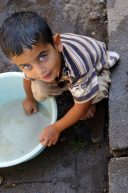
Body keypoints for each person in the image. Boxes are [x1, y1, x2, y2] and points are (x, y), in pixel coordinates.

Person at [0, 11, 119, 146]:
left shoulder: (78, 66)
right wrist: (29, 98)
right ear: (16, 64)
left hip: (96, 68)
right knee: (39, 91)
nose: (39, 70)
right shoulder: (33, 64)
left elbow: (80, 109)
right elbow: (27, 78)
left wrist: (56, 127)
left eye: (42, 56)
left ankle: (90, 100)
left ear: (57, 43)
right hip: (63, 72)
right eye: (26, 66)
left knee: (95, 95)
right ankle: (77, 92)